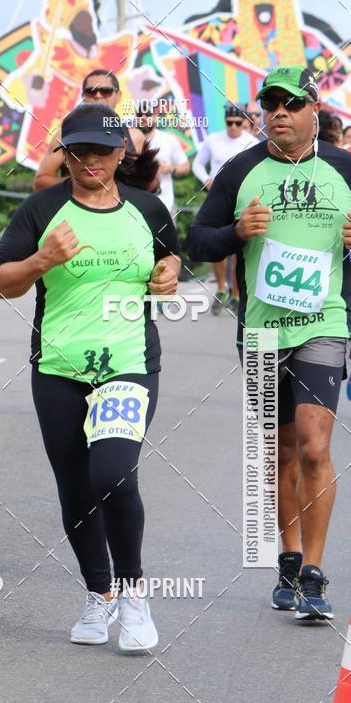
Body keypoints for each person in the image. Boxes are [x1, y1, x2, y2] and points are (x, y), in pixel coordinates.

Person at [0, 103, 181, 652]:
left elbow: (169, 259)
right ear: (64, 155)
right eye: (77, 150)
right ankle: (100, 596)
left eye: (100, 149)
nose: (89, 160)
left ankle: (134, 596)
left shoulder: (148, 209)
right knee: (75, 486)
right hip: (59, 367)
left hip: (128, 363)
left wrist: (168, 274)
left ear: (122, 153)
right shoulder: (42, 209)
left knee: (114, 474)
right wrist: (40, 261)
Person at [187, 65, 351, 622]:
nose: (278, 111)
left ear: (314, 113)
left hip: (324, 322)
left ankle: (313, 572)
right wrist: (236, 232)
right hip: (260, 329)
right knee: (281, 452)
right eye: (270, 103)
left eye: (291, 103)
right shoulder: (241, 169)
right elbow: (197, 240)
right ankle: (288, 558)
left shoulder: (346, 167)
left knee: (314, 445)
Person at [192, 103, 258, 313]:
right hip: (216, 199)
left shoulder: (251, 142)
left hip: (242, 200)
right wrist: (207, 179)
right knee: (217, 244)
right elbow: (197, 164)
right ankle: (221, 288)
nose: (233, 127)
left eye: (238, 123)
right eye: (229, 123)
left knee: (239, 248)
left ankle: (236, 293)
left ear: (245, 122)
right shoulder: (213, 140)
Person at [33, 69, 146, 191]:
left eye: (105, 91)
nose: (98, 95)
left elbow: (150, 181)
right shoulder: (64, 135)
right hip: (76, 207)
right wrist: (82, 182)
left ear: (118, 96)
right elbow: (40, 182)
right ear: (83, 96)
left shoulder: (135, 137)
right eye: (90, 91)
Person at [138, 111, 190, 216]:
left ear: (155, 117)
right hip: (136, 207)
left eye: (148, 114)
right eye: (139, 115)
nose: (143, 118)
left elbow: (186, 167)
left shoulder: (168, 140)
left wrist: (171, 169)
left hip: (165, 205)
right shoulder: (128, 139)